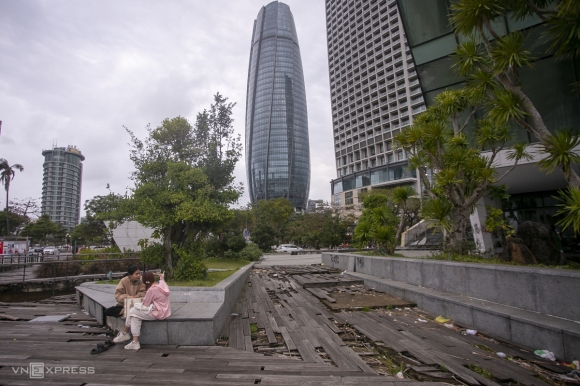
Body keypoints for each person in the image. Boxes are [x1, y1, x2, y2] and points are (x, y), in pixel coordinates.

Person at [113, 271, 171, 350]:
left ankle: (125, 333)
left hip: (159, 313)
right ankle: (135, 342)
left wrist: (137, 304)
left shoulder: (152, 289)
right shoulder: (161, 284)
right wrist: (162, 277)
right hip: (165, 310)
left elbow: (145, 304)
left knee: (132, 311)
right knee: (135, 317)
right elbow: (162, 281)